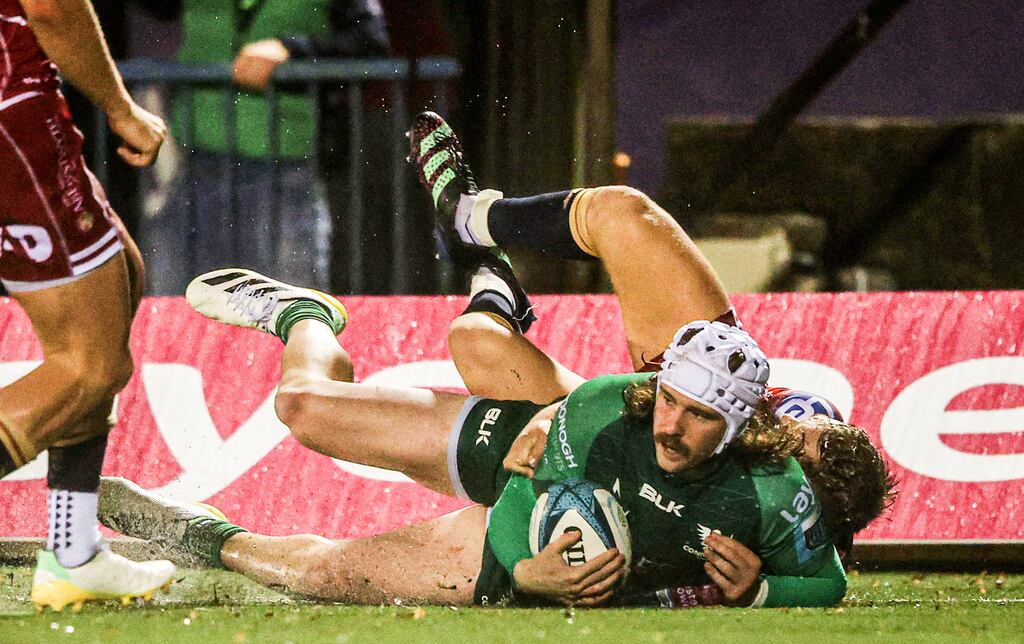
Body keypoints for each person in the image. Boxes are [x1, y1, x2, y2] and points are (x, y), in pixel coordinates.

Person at [96, 113, 891, 608]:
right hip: (580, 445)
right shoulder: (708, 402)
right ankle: (468, 222)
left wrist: (530, 574)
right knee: (615, 222)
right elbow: (606, 408)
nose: (785, 423)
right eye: (789, 418)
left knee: (326, 539)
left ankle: (208, 529)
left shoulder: (767, 527)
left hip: (557, 497)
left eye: (795, 433)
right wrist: (555, 419)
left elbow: (820, 581)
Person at [0, 0, 176, 611]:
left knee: (118, 273)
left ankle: (72, 551)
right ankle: (72, 555)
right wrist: (122, 108)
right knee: (90, 364)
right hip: (10, 112)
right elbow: (52, 6)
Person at [143, 0, 390, 295]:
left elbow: (372, 43)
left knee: (291, 311)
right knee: (179, 314)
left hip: (288, 172)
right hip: (195, 167)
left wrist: (293, 50)